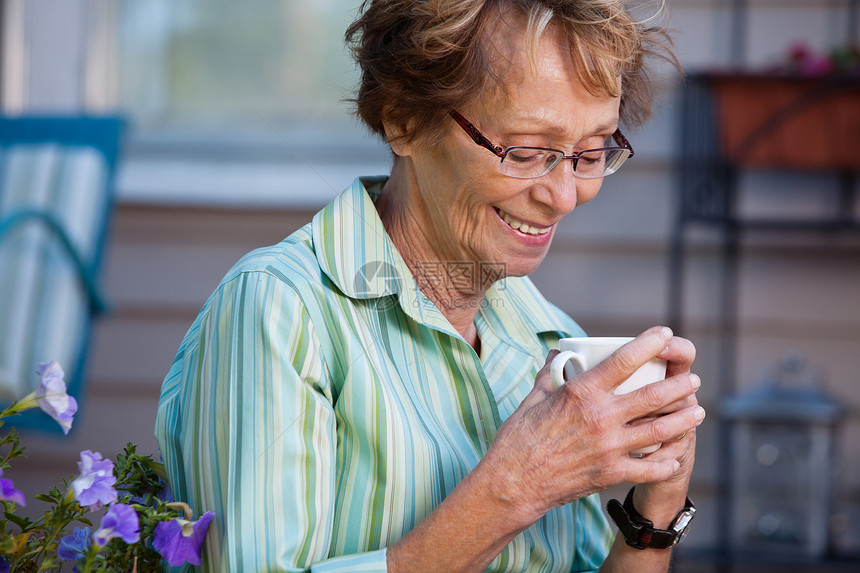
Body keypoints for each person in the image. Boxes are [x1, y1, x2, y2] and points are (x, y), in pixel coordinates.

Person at [155, 0, 704, 571]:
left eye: (590, 154)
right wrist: (518, 487)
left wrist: (653, 515)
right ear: (405, 120)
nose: (565, 195)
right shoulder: (279, 312)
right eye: (526, 151)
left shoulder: (554, 341)